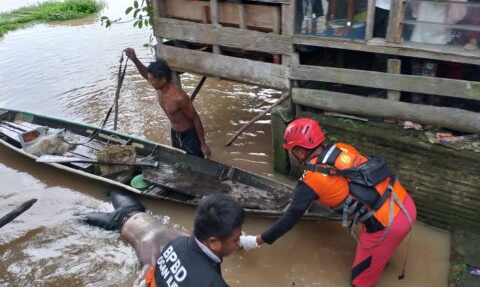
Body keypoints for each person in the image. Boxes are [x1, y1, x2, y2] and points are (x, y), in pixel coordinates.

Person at [239, 118, 417, 287]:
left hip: (389, 226)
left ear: (300, 152)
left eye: (291, 150)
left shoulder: (310, 182)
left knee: (359, 282)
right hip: (403, 201)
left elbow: (287, 222)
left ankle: (378, 258)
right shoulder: (342, 148)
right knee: (377, 253)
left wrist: (252, 242)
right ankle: (381, 257)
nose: (292, 155)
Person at [83, 190, 244, 287]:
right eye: (235, 240)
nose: (238, 243)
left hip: (135, 211)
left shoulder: (178, 243)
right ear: (213, 242)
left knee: (110, 191)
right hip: (119, 223)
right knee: (78, 217)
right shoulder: (211, 283)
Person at [124, 48, 211, 158]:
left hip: (189, 135)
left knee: (196, 162)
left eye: (151, 80)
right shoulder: (159, 88)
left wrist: (203, 145)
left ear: (163, 79)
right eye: (149, 79)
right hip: (175, 133)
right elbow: (146, 74)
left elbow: (195, 119)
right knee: (179, 161)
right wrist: (135, 60)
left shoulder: (178, 97)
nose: (149, 82)